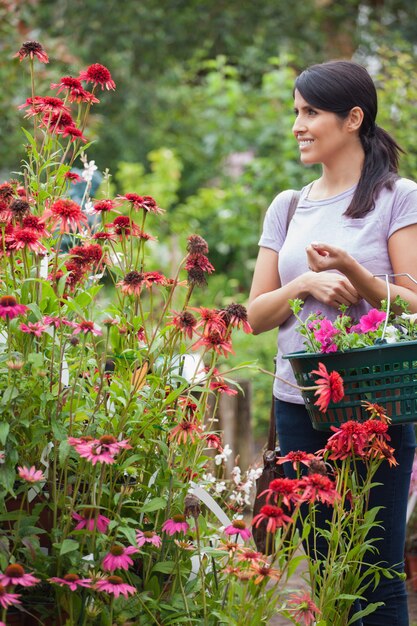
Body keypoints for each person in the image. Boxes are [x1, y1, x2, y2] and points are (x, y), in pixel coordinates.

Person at [248, 60, 417, 626]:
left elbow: (416, 300)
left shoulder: (397, 197)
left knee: (376, 574)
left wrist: (359, 277)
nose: (298, 124)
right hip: (300, 410)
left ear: (352, 118)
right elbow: (254, 315)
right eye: (296, 111)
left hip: (375, 409)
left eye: (310, 112)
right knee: (326, 572)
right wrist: (302, 283)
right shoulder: (288, 205)